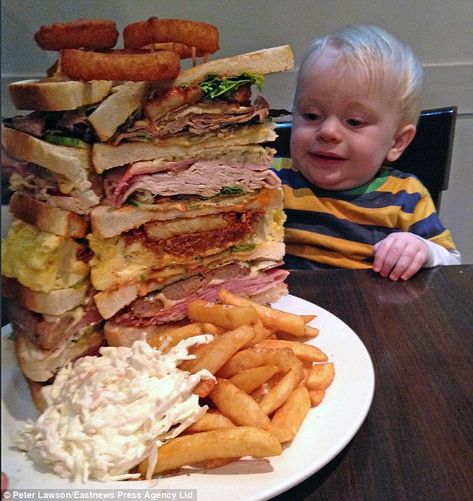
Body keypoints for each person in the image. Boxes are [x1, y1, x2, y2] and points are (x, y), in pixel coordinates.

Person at [273, 25, 461, 280]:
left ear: (397, 142)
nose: (328, 131)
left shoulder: (407, 197)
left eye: (354, 122)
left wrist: (422, 250)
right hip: (280, 306)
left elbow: (452, 261)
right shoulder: (272, 179)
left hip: (370, 312)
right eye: (311, 115)